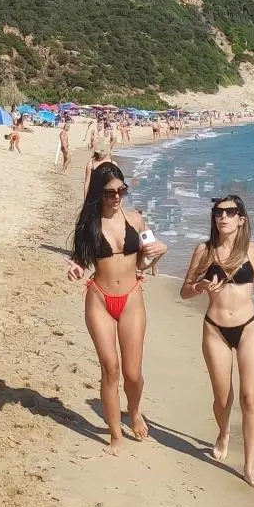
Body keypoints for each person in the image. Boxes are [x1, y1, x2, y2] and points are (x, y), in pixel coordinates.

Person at [180, 195, 254, 490]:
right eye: (218, 212)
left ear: (241, 219)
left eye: (229, 212)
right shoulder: (204, 250)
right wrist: (202, 285)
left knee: (250, 398)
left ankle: (250, 468)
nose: (222, 217)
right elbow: (185, 292)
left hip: (248, 328)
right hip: (215, 329)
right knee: (223, 399)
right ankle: (224, 431)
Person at [64, 162, 156, 451]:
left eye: (121, 190)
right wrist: (76, 269)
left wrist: (158, 254)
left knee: (132, 372)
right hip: (100, 298)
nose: (116, 197)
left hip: (131, 298)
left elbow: (148, 259)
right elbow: (80, 261)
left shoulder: (137, 221)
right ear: (98, 194)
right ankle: (115, 434)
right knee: (110, 368)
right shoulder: (88, 225)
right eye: (109, 193)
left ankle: (135, 411)